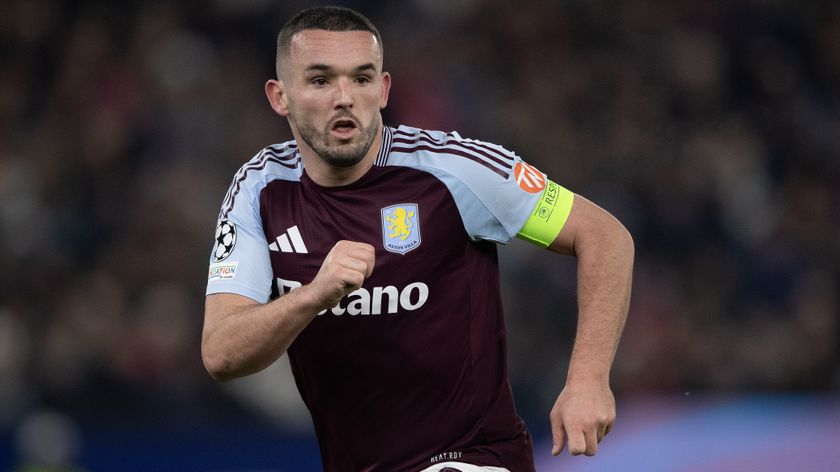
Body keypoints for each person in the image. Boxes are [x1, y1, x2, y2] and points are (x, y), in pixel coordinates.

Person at [201, 6, 633, 472]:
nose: (345, 97)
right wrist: (313, 297)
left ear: (383, 89)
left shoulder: (453, 170)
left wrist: (588, 377)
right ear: (280, 96)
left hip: (472, 459)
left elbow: (603, 234)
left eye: (361, 79)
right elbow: (222, 353)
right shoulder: (260, 188)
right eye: (321, 81)